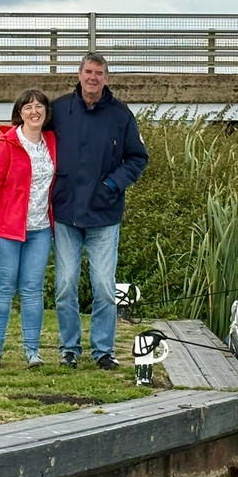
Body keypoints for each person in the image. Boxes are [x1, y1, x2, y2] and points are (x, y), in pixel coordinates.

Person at [49, 52, 148, 370]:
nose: (93, 77)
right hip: (65, 211)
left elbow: (137, 158)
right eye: (88, 71)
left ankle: (103, 350)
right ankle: (69, 348)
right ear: (78, 74)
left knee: (104, 286)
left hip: (104, 215)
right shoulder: (58, 109)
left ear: (106, 78)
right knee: (65, 284)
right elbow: (28, 136)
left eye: (99, 73)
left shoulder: (121, 115)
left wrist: (111, 185)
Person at [0, 88, 56, 369]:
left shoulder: (53, 142)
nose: (34, 111)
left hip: (40, 229)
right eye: (27, 107)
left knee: (33, 290)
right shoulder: (6, 144)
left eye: (39, 106)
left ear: (46, 111)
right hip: (7, 230)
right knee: (3, 288)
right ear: (19, 114)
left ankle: (33, 352)